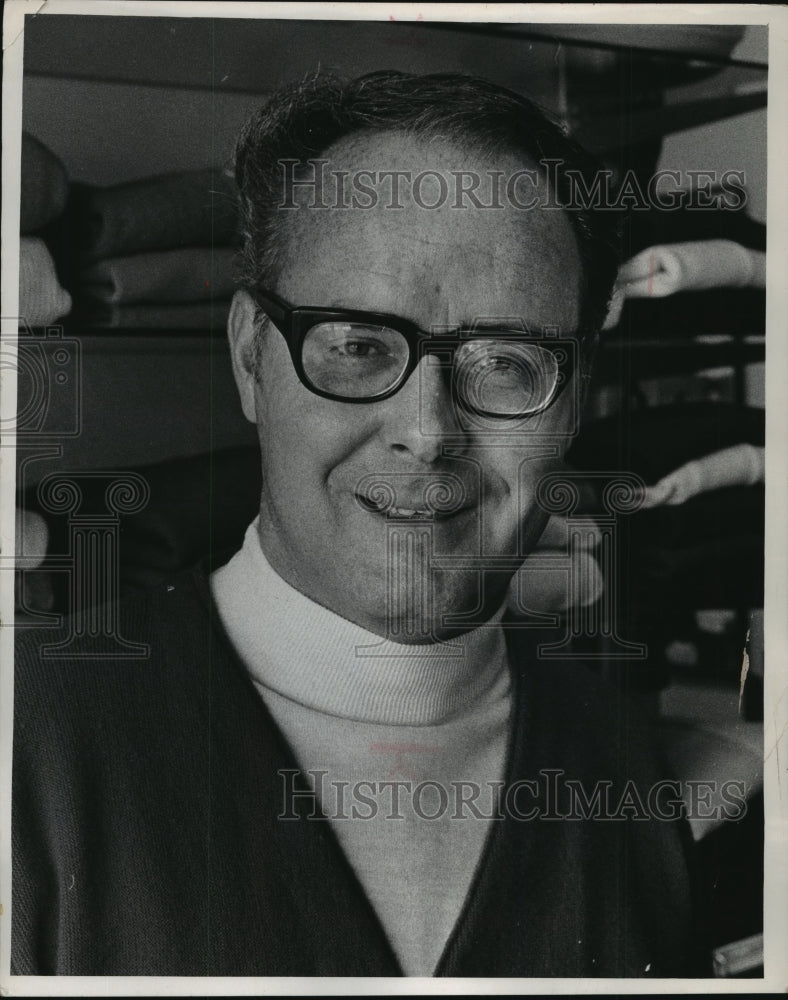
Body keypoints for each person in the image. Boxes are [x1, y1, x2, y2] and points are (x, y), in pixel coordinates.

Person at [12, 71, 703, 978]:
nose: (427, 430)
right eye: (359, 346)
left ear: (576, 393)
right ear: (252, 359)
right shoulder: (25, 749)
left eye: (506, 359)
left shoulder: (628, 772)